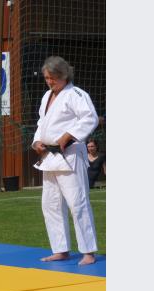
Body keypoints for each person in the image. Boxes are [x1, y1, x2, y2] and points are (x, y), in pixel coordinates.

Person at [31, 56, 99, 265]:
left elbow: (90, 118)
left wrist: (67, 136)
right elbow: (41, 122)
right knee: (50, 204)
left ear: (64, 76)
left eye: (53, 78)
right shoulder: (47, 96)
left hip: (70, 155)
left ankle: (88, 251)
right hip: (49, 157)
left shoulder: (76, 94)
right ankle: (60, 249)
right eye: (46, 78)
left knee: (77, 203)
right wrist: (36, 142)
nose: (49, 81)